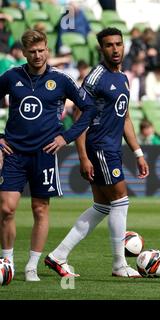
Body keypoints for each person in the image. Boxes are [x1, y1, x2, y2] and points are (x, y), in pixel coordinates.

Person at [44, 28, 149, 278]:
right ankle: (119, 264)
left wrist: (138, 152)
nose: (115, 49)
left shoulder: (123, 77)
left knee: (102, 206)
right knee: (120, 200)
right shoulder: (96, 77)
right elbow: (79, 115)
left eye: (118, 44)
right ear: (101, 49)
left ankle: (58, 256)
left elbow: (125, 118)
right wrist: (83, 156)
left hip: (112, 147)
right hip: (99, 146)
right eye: (109, 45)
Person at [0, 29, 97, 281]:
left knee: (40, 208)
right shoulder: (11, 77)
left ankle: (31, 266)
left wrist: (67, 136)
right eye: (32, 52)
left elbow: (88, 109)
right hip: (13, 152)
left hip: (45, 153)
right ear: (24, 53)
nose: (37, 55)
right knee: (6, 208)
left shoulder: (62, 80)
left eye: (41, 50)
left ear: (48, 51)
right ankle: (7, 262)